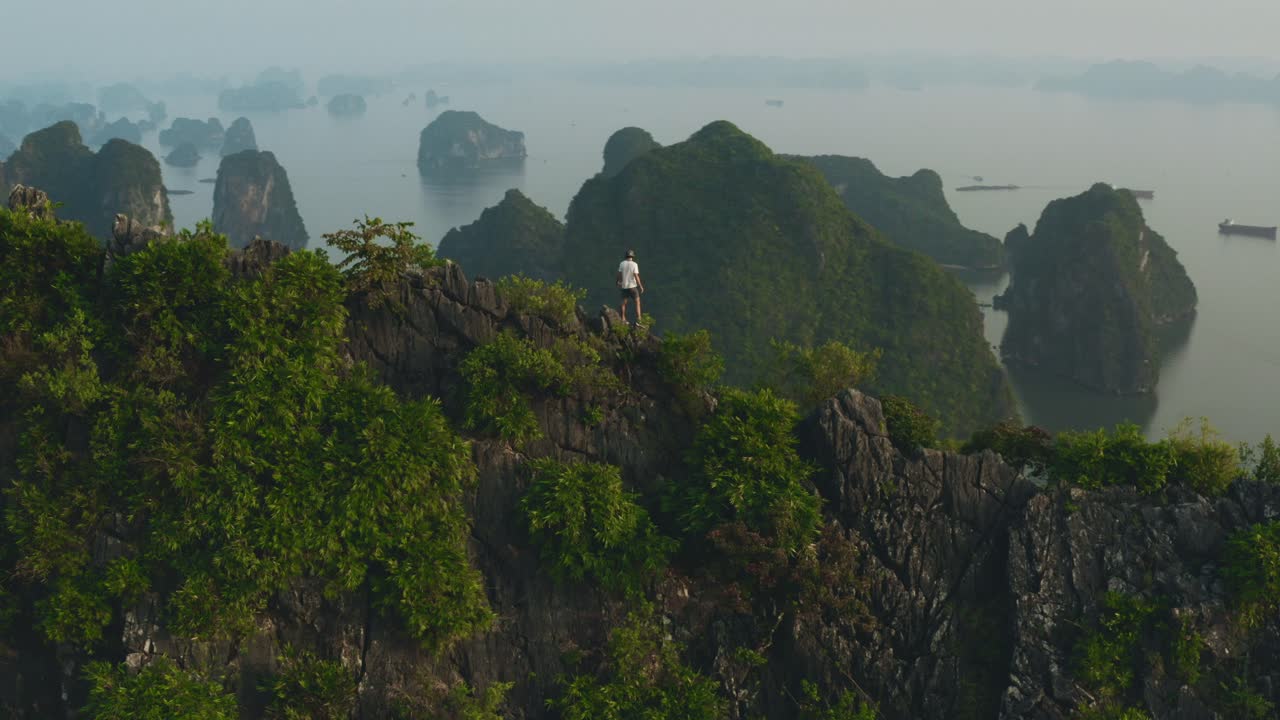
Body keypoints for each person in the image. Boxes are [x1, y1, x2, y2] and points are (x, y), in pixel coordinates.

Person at [616, 249, 644, 326]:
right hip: (633, 287)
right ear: (632, 256)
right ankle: (639, 320)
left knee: (623, 304)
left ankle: (623, 319)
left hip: (624, 287)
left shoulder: (622, 264)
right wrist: (640, 286)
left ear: (626, 256)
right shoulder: (634, 264)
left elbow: (619, 274)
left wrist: (618, 282)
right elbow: (636, 276)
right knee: (637, 302)